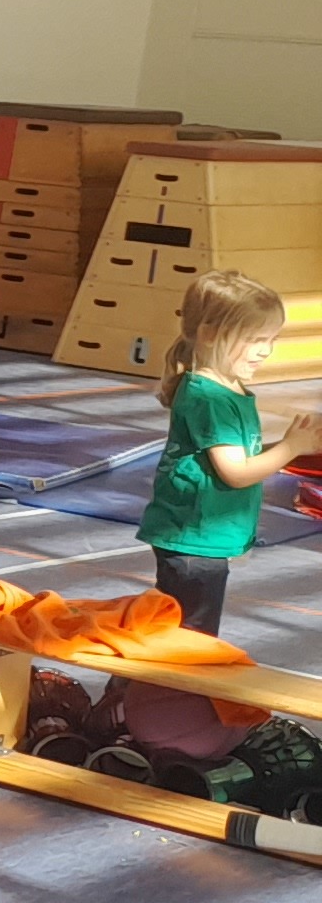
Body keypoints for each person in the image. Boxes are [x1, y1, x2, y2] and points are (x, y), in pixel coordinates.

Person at [136, 267, 322, 639]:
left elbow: (237, 455)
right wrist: (291, 447)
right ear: (210, 334)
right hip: (194, 540)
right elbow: (235, 472)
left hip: (201, 538)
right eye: (255, 339)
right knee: (190, 636)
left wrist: (292, 446)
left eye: (271, 339)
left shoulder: (224, 390)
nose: (266, 350)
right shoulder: (211, 399)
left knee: (179, 629)